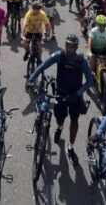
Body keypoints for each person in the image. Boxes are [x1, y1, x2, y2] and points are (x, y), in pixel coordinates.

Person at [26, 34, 93, 163]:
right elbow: (44, 65)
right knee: (59, 118)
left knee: (74, 120)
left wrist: (78, 94)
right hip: (60, 94)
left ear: (76, 47)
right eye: (67, 45)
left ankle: (71, 147)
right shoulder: (59, 55)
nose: (69, 49)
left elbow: (89, 81)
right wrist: (31, 78)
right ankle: (60, 127)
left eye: (72, 47)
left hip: (75, 97)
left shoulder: (82, 61)